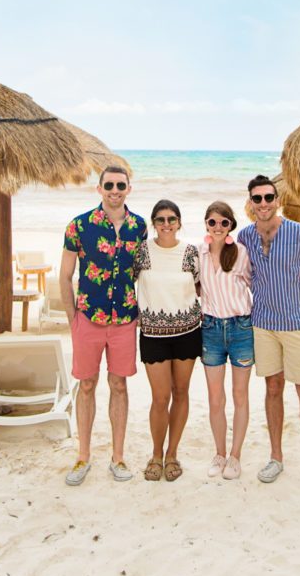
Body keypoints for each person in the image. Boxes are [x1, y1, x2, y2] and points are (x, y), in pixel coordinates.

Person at [237, 174, 300, 484]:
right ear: (251, 203)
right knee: (272, 389)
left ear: (277, 200)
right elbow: (229, 272)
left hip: (298, 324)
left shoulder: (299, 233)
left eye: (269, 197)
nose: (264, 203)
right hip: (264, 325)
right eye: (258, 198)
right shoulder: (244, 237)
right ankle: (276, 457)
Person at [60, 165, 147, 486]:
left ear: (128, 189)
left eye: (120, 185)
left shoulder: (139, 226)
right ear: (99, 189)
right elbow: (65, 276)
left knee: (119, 386)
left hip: (125, 320)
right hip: (88, 319)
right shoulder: (79, 226)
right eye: (108, 185)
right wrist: (73, 319)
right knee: (86, 386)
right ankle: (83, 455)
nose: (115, 190)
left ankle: (118, 457)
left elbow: (141, 273)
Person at [133, 200, 201, 482]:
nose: (166, 224)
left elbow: (200, 287)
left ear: (180, 222)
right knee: (160, 398)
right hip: (153, 335)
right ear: (153, 223)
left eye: (172, 218)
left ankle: (172, 453)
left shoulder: (190, 253)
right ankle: (156, 454)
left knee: (181, 392)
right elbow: (127, 283)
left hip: (188, 332)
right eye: (160, 219)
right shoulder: (142, 251)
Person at [199, 201, 253, 480]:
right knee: (215, 397)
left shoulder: (242, 253)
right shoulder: (199, 253)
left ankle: (235, 456)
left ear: (231, 225)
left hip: (242, 329)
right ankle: (219, 453)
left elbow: (257, 285)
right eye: (212, 222)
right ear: (206, 225)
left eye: (224, 222)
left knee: (239, 395)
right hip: (210, 330)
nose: (218, 227)